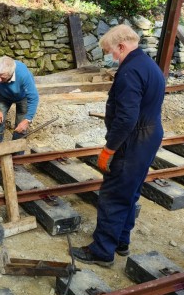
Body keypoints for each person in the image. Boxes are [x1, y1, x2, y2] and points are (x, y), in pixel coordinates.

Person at [71, 24, 165, 267]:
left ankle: (102, 251)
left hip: (133, 141)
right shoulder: (148, 65)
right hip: (149, 137)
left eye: (111, 52)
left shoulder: (130, 71)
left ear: (121, 46)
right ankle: (121, 241)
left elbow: (126, 118)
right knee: (129, 192)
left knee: (113, 195)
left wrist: (109, 149)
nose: (111, 57)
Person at [0, 55, 39, 154]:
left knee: (21, 127)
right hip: (4, 95)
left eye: (3, 77)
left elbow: (33, 97)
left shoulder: (23, 75)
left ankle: (17, 155)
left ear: (11, 74)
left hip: (22, 97)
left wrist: (27, 120)